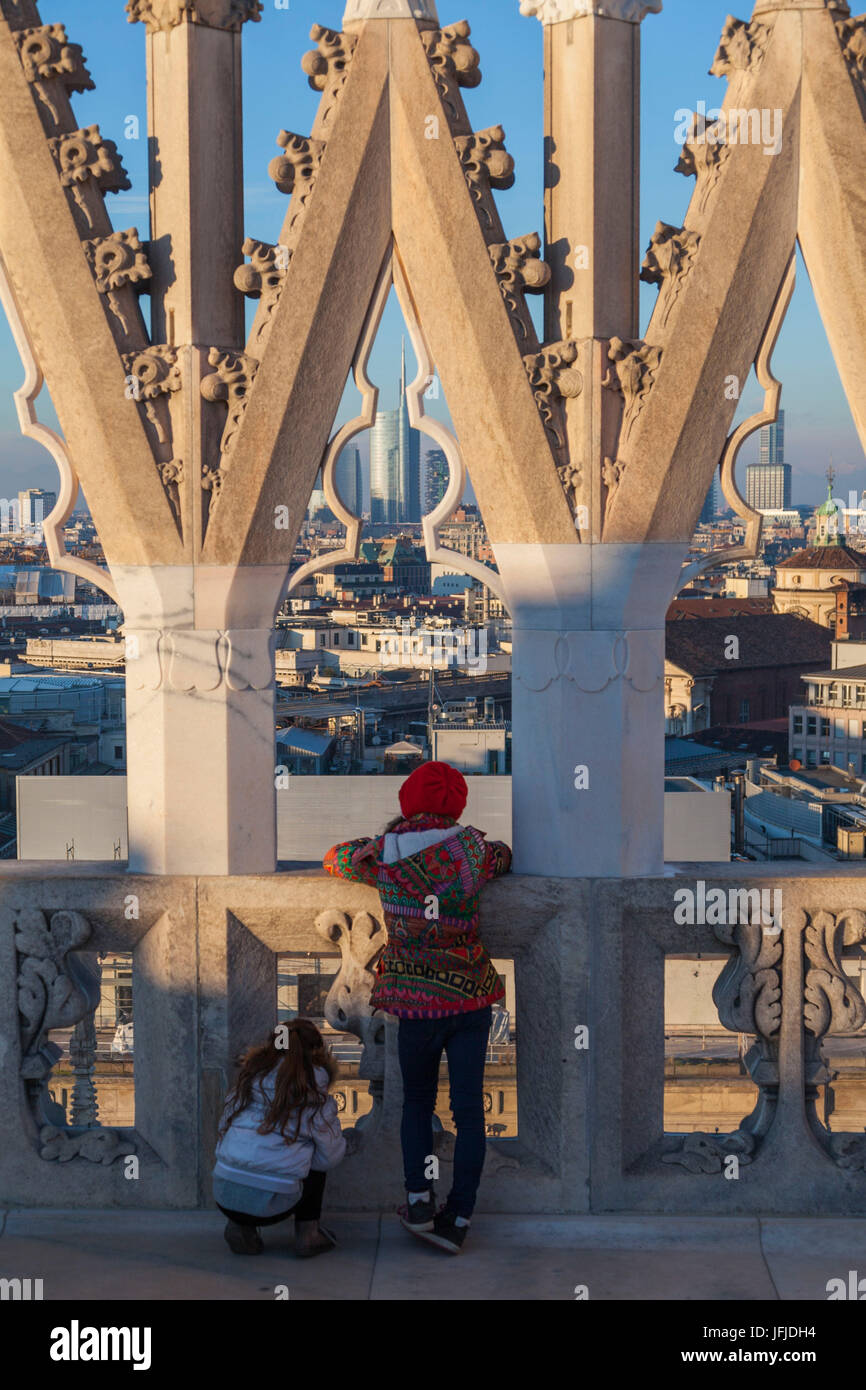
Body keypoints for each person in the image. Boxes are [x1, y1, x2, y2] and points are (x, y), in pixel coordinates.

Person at [324, 760, 511, 1254]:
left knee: (416, 1106)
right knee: (469, 1113)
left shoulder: (384, 853)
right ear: (458, 805)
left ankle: (419, 1201)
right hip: (469, 997)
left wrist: (367, 847)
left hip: (415, 1003)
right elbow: (504, 857)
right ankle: (459, 1217)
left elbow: (335, 860)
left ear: (407, 802)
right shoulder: (472, 850)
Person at [212, 1019, 346, 1258]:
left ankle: (240, 1227)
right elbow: (329, 1158)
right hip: (276, 1204)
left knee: (244, 1149)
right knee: (315, 1158)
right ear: (317, 1052)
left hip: (223, 1193)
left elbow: (223, 1127)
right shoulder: (316, 1096)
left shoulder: (246, 1081)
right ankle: (308, 1235)